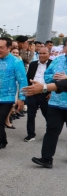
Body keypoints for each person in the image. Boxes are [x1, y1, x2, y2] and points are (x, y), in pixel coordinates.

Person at [31, 39, 67, 168]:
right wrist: (54, 78)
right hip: (55, 103)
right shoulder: (58, 60)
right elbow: (46, 76)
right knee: (51, 131)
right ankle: (46, 158)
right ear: (64, 47)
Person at [23, 47, 51, 142]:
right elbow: (28, 78)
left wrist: (51, 92)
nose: (42, 55)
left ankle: (50, 134)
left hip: (45, 93)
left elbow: (56, 80)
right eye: (40, 53)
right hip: (33, 92)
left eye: (44, 53)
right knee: (31, 115)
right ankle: (30, 134)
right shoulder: (33, 64)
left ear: (49, 54)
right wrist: (27, 91)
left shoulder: (52, 64)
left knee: (48, 115)